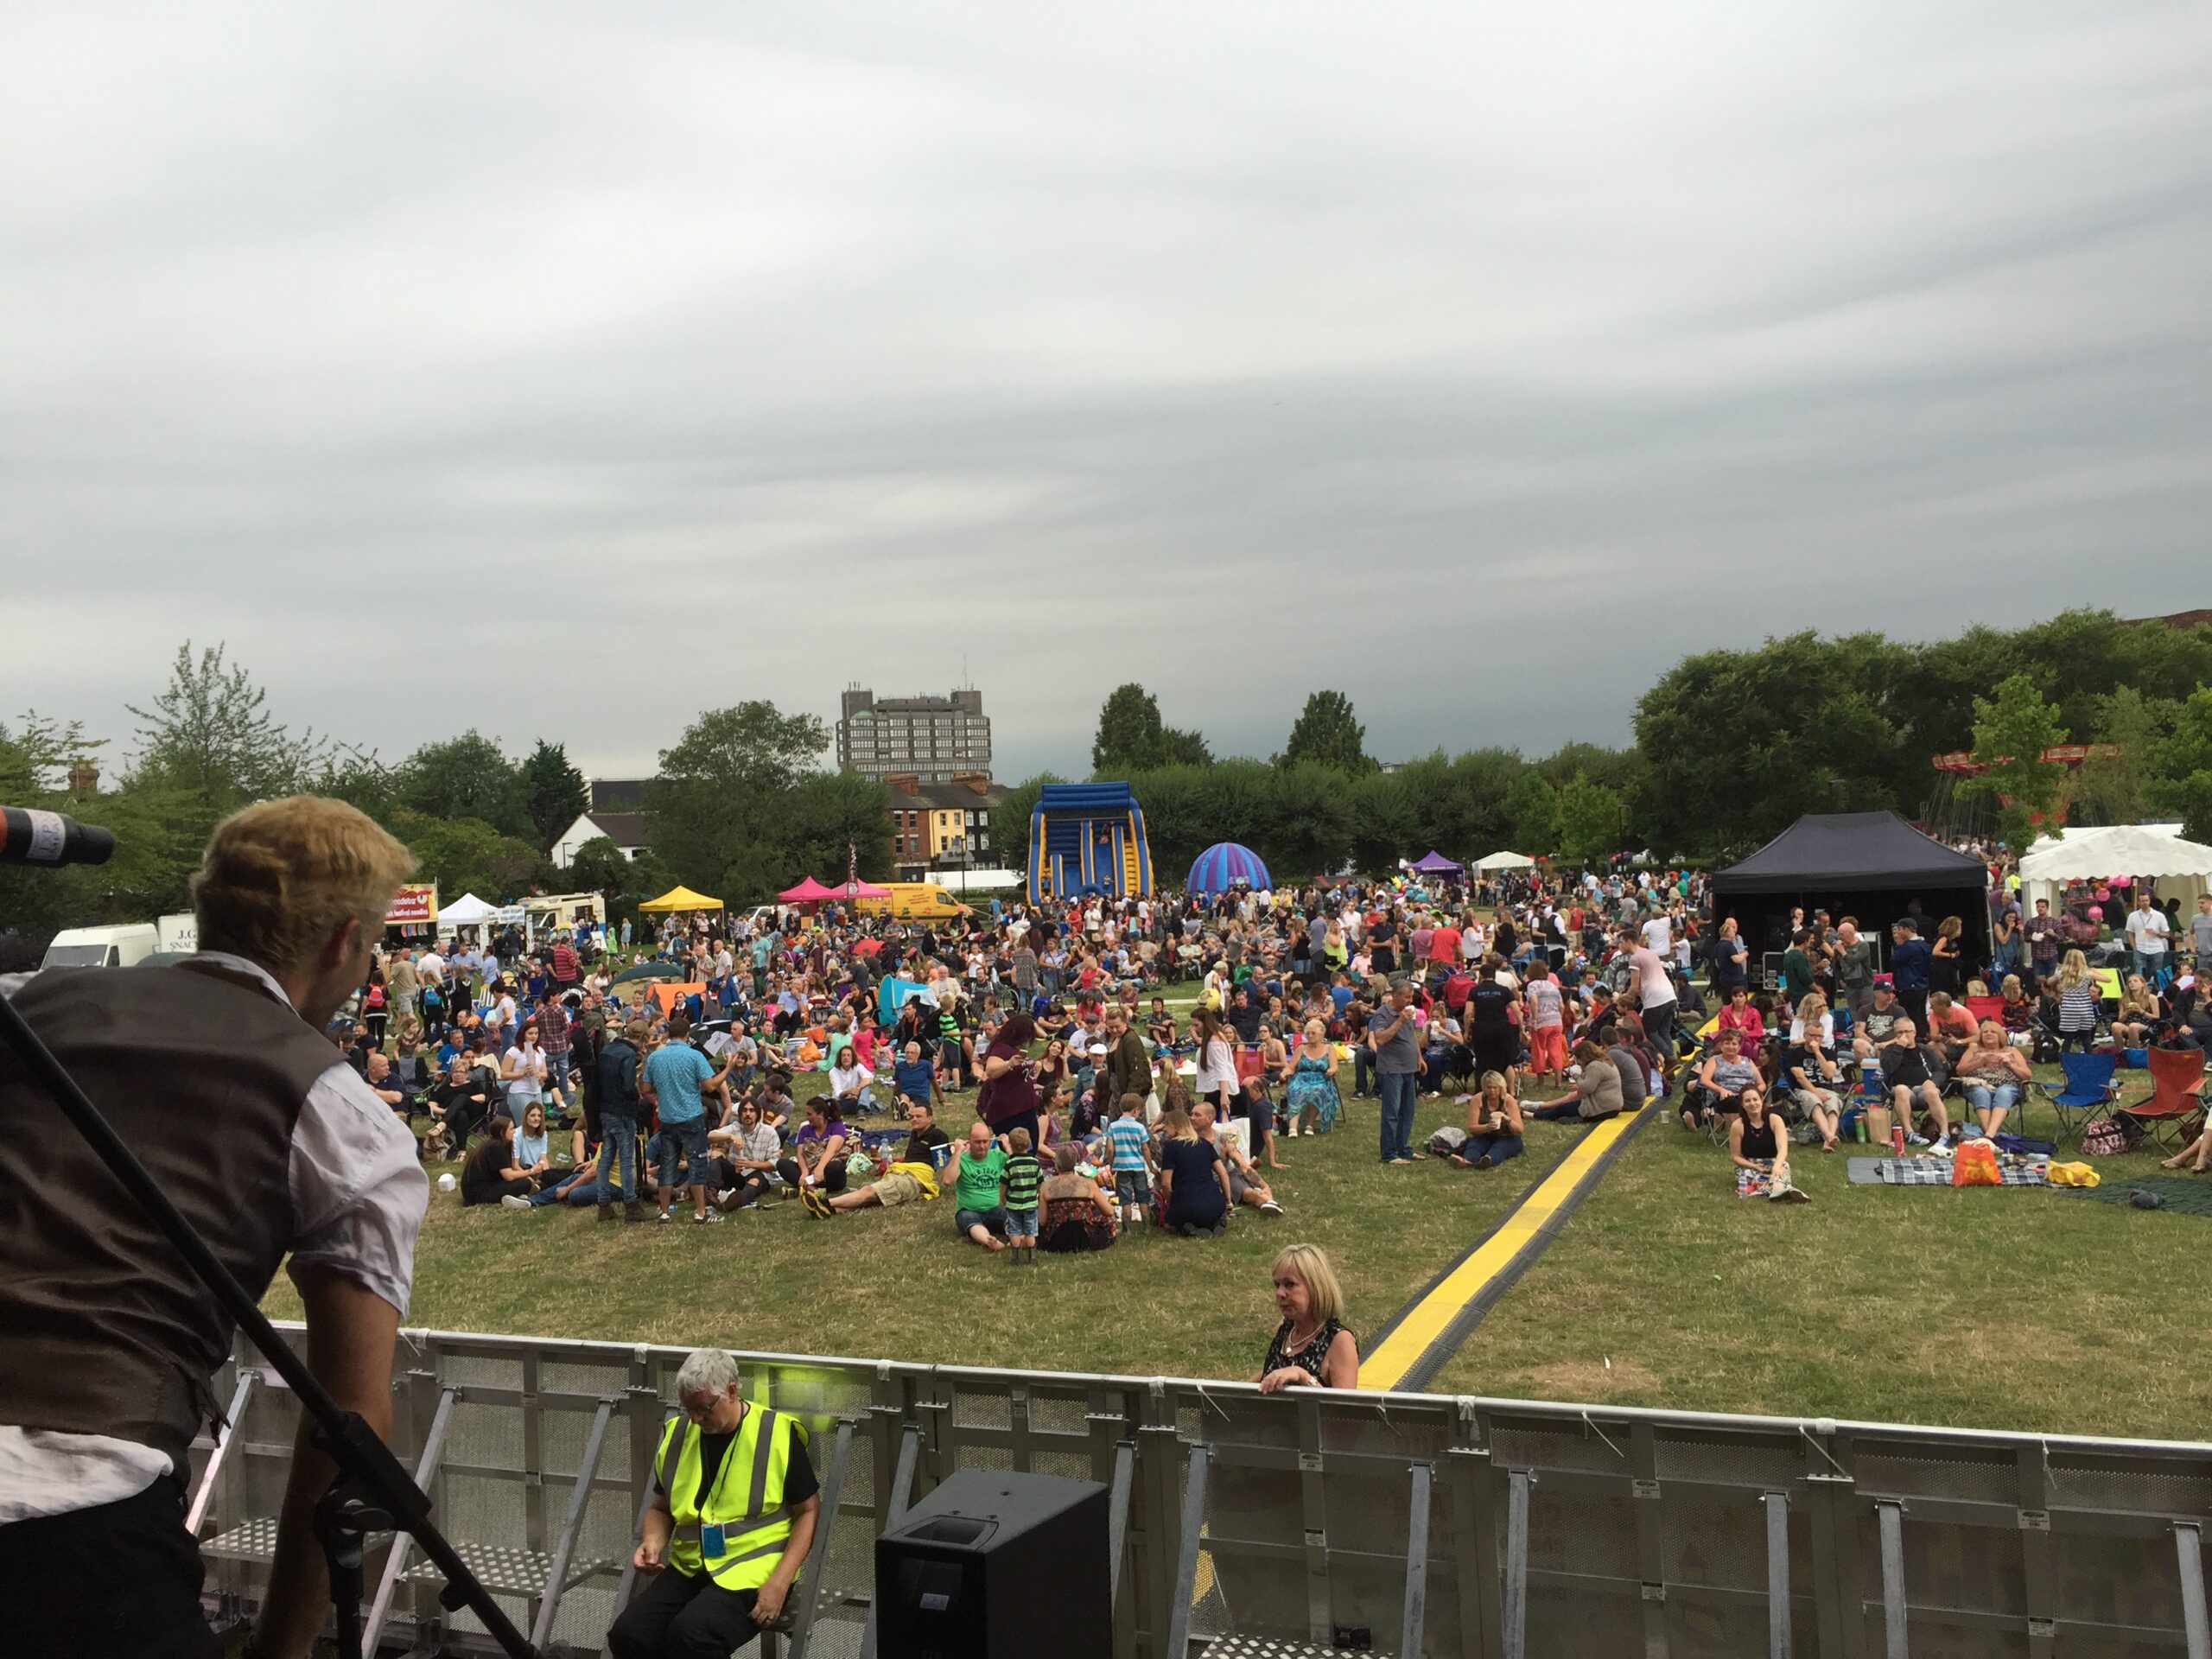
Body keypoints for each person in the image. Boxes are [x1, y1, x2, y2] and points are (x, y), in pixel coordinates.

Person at [0, 794, 424, 1659]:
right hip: (74, 1532)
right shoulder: (340, 1111)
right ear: (345, 943)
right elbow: (349, 1416)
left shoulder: (29, 1006)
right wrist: (281, 1645)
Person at [607, 1348, 820, 1659]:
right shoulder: (679, 1434)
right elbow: (660, 1508)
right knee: (629, 1635)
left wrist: (779, 1582)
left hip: (755, 1571)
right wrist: (652, 1540)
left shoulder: (775, 1435)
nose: (695, 1418)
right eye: (688, 1408)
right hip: (692, 1567)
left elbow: (808, 1512)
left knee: (692, 1637)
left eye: (704, 1408)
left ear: (732, 1392)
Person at [644, 1012, 730, 1224]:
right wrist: (727, 1068)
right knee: (697, 1164)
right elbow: (710, 1085)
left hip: (667, 1119)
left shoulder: (655, 1057)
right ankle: (700, 1212)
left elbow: (646, 1087)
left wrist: (661, 1089)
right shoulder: (694, 1056)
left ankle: (664, 1213)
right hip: (691, 1116)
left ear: (668, 1033)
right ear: (687, 1035)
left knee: (667, 1164)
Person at [810, 1099, 950, 1217]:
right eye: (912, 1116)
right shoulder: (915, 1133)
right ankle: (830, 1210)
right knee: (871, 1196)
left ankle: (824, 1203)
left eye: (919, 1117)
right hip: (901, 1173)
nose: (914, 1120)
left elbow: (943, 1166)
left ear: (929, 1118)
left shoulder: (938, 1135)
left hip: (915, 1179)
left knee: (868, 1192)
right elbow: (911, 1158)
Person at [1254, 1244, 1359, 1391]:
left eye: (1289, 1285)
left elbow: (1345, 1411)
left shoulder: (1340, 1341)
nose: (1280, 1293)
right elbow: (1269, 1376)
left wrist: (1303, 1376)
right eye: (1277, 1285)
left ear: (1315, 1287)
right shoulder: (1286, 1330)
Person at [595, 1017, 649, 1223]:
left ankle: (604, 1205)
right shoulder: (627, 1054)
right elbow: (628, 1086)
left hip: (604, 1109)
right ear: (643, 1039)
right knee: (627, 1160)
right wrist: (637, 1096)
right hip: (622, 1112)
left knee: (606, 1158)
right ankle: (631, 1205)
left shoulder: (609, 1049)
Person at [1368, 980, 1422, 1166]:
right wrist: (1400, 1021)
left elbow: (1412, 1036)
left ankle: (1404, 1148)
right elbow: (1380, 1039)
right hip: (1392, 1068)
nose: (1409, 1000)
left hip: (1409, 1067)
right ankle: (1389, 1153)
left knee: (1408, 1111)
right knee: (1392, 1111)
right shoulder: (1383, 1013)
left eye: (1411, 997)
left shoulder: (1407, 1013)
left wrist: (1419, 1056)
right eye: (1406, 997)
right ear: (1396, 996)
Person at [1156, 1108, 1232, 1236]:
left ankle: (1189, 1228)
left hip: (1187, 1205)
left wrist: (1171, 1203)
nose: (1163, 1128)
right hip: (1215, 1203)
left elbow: (1165, 1184)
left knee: (1169, 1223)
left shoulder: (1171, 1147)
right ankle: (1216, 1223)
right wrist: (1227, 1201)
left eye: (1166, 1124)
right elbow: (1223, 1173)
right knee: (1207, 1214)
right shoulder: (1205, 1144)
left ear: (1176, 1125)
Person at [976, 1012, 1042, 1153]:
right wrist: (1009, 1064)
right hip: (1010, 1113)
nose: (1027, 1039)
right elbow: (991, 1070)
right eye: (1026, 1035)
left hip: (1027, 1110)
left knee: (1032, 1149)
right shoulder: (1001, 1049)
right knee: (1020, 1152)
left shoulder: (1015, 1049)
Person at [1955, 1019, 2031, 1139]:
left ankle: (1989, 1134)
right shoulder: (1973, 1051)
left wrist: (2010, 1065)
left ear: (2000, 1035)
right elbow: (1960, 1071)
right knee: (1981, 1092)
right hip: (1978, 1085)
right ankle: (1991, 1133)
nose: (1988, 1034)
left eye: (1993, 1032)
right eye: (1985, 1032)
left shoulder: (2012, 1051)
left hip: (2008, 1086)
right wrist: (1980, 1062)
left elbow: (2027, 1076)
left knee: (2004, 1092)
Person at [1881, 1020, 1951, 1148]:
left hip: (1924, 1090)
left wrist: (1933, 1082)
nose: (1904, 1035)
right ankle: (1910, 1133)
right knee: (1901, 1089)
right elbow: (1888, 1068)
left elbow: (1940, 1070)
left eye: (1907, 1031)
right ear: (1895, 1034)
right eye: (1900, 1032)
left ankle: (1945, 1135)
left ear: (1914, 1032)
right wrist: (1899, 1048)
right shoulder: (1889, 1050)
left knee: (1933, 1092)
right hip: (1903, 1092)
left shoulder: (1925, 1050)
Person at [1037, 1144, 1120, 1252]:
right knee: (1105, 1217)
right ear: (1075, 1164)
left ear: (1057, 1165)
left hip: (1056, 1239)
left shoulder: (1047, 1186)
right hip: (1085, 1237)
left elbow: (1042, 1221)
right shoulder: (1088, 1183)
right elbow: (1109, 1211)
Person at [947, 1119, 1010, 1251]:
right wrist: (958, 1152)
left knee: (1013, 1214)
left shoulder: (998, 1156)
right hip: (969, 1210)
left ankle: (1016, 1239)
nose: (982, 1146)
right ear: (968, 1141)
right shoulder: (962, 1159)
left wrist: (1009, 1148)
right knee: (968, 1220)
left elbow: (1020, 1170)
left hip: (996, 1209)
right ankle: (989, 1241)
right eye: (977, 1142)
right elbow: (948, 1180)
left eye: (985, 1141)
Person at [1527, 1039, 1624, 1122]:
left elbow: (1587, 1088)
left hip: (1601, 1108)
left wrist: (1576, 1076)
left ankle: (1534, 1116)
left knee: (1562, 1109)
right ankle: (1541, 1111)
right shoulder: (1605, 1061)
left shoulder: (1595, 1066)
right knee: (1568, 1105)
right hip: (1612, 1107)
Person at [1448, 1071, 1524, 1168]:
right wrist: (1487, 1127)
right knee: (1474, 1145)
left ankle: (1487, 1161)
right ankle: (1467, 1161)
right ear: (1484, 1087)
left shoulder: (1508, 1100)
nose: (1492, 1091)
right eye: (1489, 1087)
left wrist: (1506, 1118)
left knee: (1499, 1148)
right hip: (1485, 1136)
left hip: (1507, 1137)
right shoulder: (1477, 1099)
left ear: (1501, 1087)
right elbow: (1472, 1128)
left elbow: (1519, 1130)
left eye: (1495, 1087)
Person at [1283, 1017, 1341, 1136]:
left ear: (1321, 1034)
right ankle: (1292, 1128)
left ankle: (1309, 1124)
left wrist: (1331, 1070)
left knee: (1316, 1090)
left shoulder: (1329, 1048)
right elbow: (1291, 1066)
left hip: (1321, 1079)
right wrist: (1286, 1071)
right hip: (1301, 1078)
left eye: (1313, 1033)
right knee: (1295, 1089)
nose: (1309, 1036)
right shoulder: (1301, 1048)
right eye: (1308, 1033)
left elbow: (1335, 1066)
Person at [1105, 1092, 1156, 1227]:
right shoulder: (1140, 1128)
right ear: (1135, 1110)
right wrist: (1150, 1166)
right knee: (1143, 1196)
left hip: (1121, 1167)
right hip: (1138, 1167)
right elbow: (1145, 1149)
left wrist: (1111, 1165)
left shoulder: (1113, 1127)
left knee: (1125, 1198)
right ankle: (1146, 1226)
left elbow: (1110, 1149)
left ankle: (1127, 1229)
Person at [1001, 1127, 1044, 1262]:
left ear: (1011, 1146)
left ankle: (1016, 1257)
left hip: (1013, 1204)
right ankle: (1032, 1257)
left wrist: (1001, 1198)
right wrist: (1036, 1193)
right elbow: (1039, 1183)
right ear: (1029, 1143)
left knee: (1014, 1230)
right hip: (1030, 1203)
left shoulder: (1010, 1165)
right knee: (1030, 1231)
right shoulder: (1035, 1163)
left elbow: (1004, 1183)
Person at [1726, 1084, 1785, 1173]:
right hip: (1748, 1165)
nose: (1752, 1104)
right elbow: (1736, 1156)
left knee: (1777, 1184)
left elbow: (1782, 1149)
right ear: (1742, 1104)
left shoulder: (1775, 1120)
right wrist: (1754, 1166)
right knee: (1754, 1186)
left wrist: (1777, 1166)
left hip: (1775, 1162)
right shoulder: (1737, 1126)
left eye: (1755, 1099)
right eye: (1747, 1101)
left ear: (1761, 1100)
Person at [2055, 949, 2101, 1053]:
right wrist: (2093, 970)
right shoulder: (2087, 973)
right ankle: (2090, 1061)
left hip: (2069, 1010)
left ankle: (2064, 1065)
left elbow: (2049, 981)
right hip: (2084, 1009)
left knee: (2068, 1039)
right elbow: (2108, 979)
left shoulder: (2062, 973)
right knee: (2086, 1038)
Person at [2126, 889, 2171, 984]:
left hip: (2156, 949)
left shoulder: (2159, 916)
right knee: (2139, 975)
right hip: (2140, 949)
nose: (2145, 903)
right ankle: (2140, 993)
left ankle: (2156, 993)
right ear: (2138, 902)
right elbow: (2129, 932)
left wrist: (2156, 933)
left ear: (2150, 901)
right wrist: (2134, 948)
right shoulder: (2133, 916)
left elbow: (2167, 934)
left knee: (2156, 974)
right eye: (2142, 901)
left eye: (2147, 900)